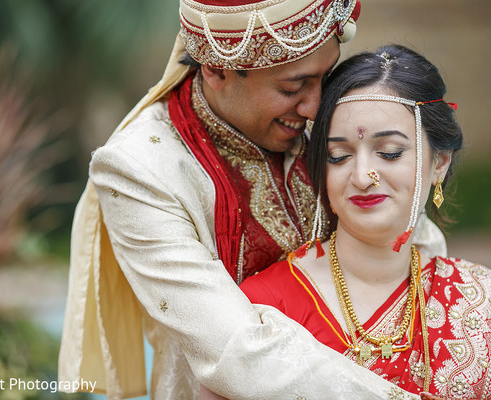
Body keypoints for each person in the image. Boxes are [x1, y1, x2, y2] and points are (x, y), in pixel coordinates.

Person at [58, 1, 431, 399]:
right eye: (293, 87)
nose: (316, 108)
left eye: (328, 76)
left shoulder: (333, 119)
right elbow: (235, 350)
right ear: (216, 69)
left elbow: (412, 249)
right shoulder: (141, 170)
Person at [238, 44, 490, 398]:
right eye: (338, 156)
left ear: (440, 162)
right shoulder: (263, 309)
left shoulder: (479, 300)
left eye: (389, 152)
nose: (361, 176)